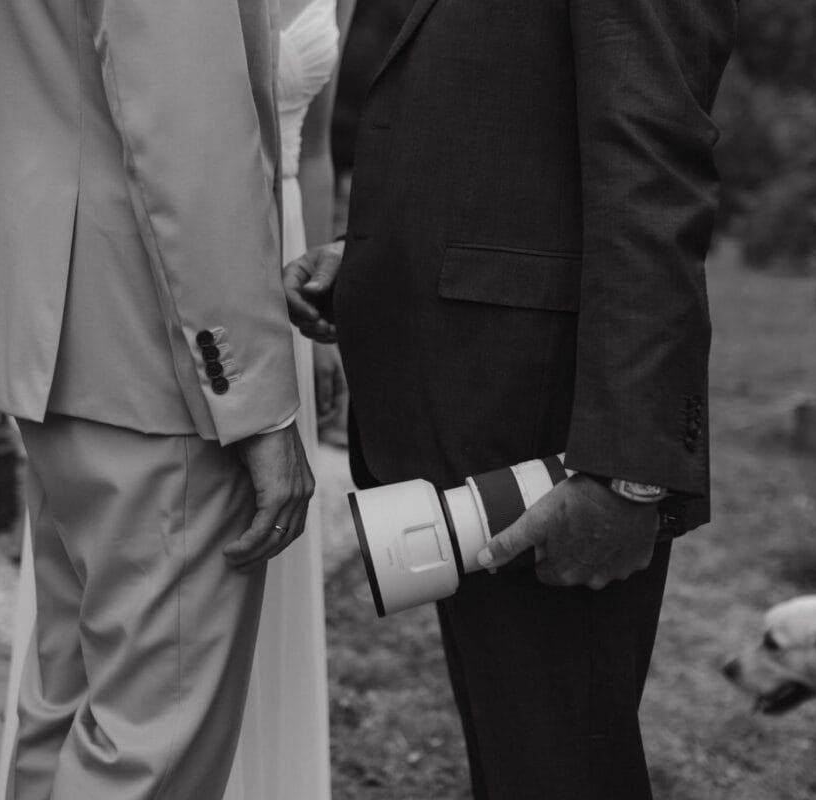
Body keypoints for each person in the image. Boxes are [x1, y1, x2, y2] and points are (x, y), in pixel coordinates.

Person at [285, 0, 737, 797]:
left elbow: (653, 176)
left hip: (551, 436)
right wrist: (373, 257)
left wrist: (627, 475)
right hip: (475, 410)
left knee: (563, 770)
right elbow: (505, 137)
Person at [0, 1, 314, 798]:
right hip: (156, 354)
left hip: (51, 327)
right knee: (149, 752)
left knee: (65, 705)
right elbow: (186, 131)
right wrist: (255, 402)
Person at [223, 0, 352, 796]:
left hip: (293, 249)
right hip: (198, 233)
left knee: (275, 517)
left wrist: (327, 323)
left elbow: (319, 148)